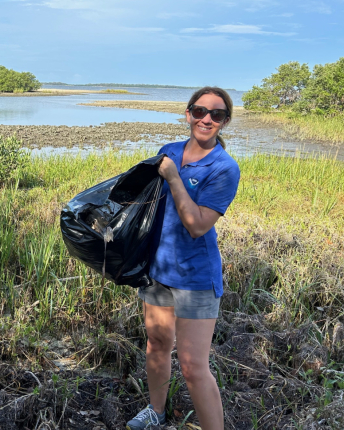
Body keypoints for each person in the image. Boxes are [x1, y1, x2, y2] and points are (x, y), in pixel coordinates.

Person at [126, 87, 240, 430]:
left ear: (224, 122)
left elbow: (196, 225)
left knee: (193, 366)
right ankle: (156, 412)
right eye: (199, 111)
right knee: (157, 343)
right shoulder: (169, 151)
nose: (206, 119)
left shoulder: (224, 168)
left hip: (195, 279)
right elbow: (145, 203)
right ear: (187, 114)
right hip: (158, 270)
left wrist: (175, 177)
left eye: (216, 114)